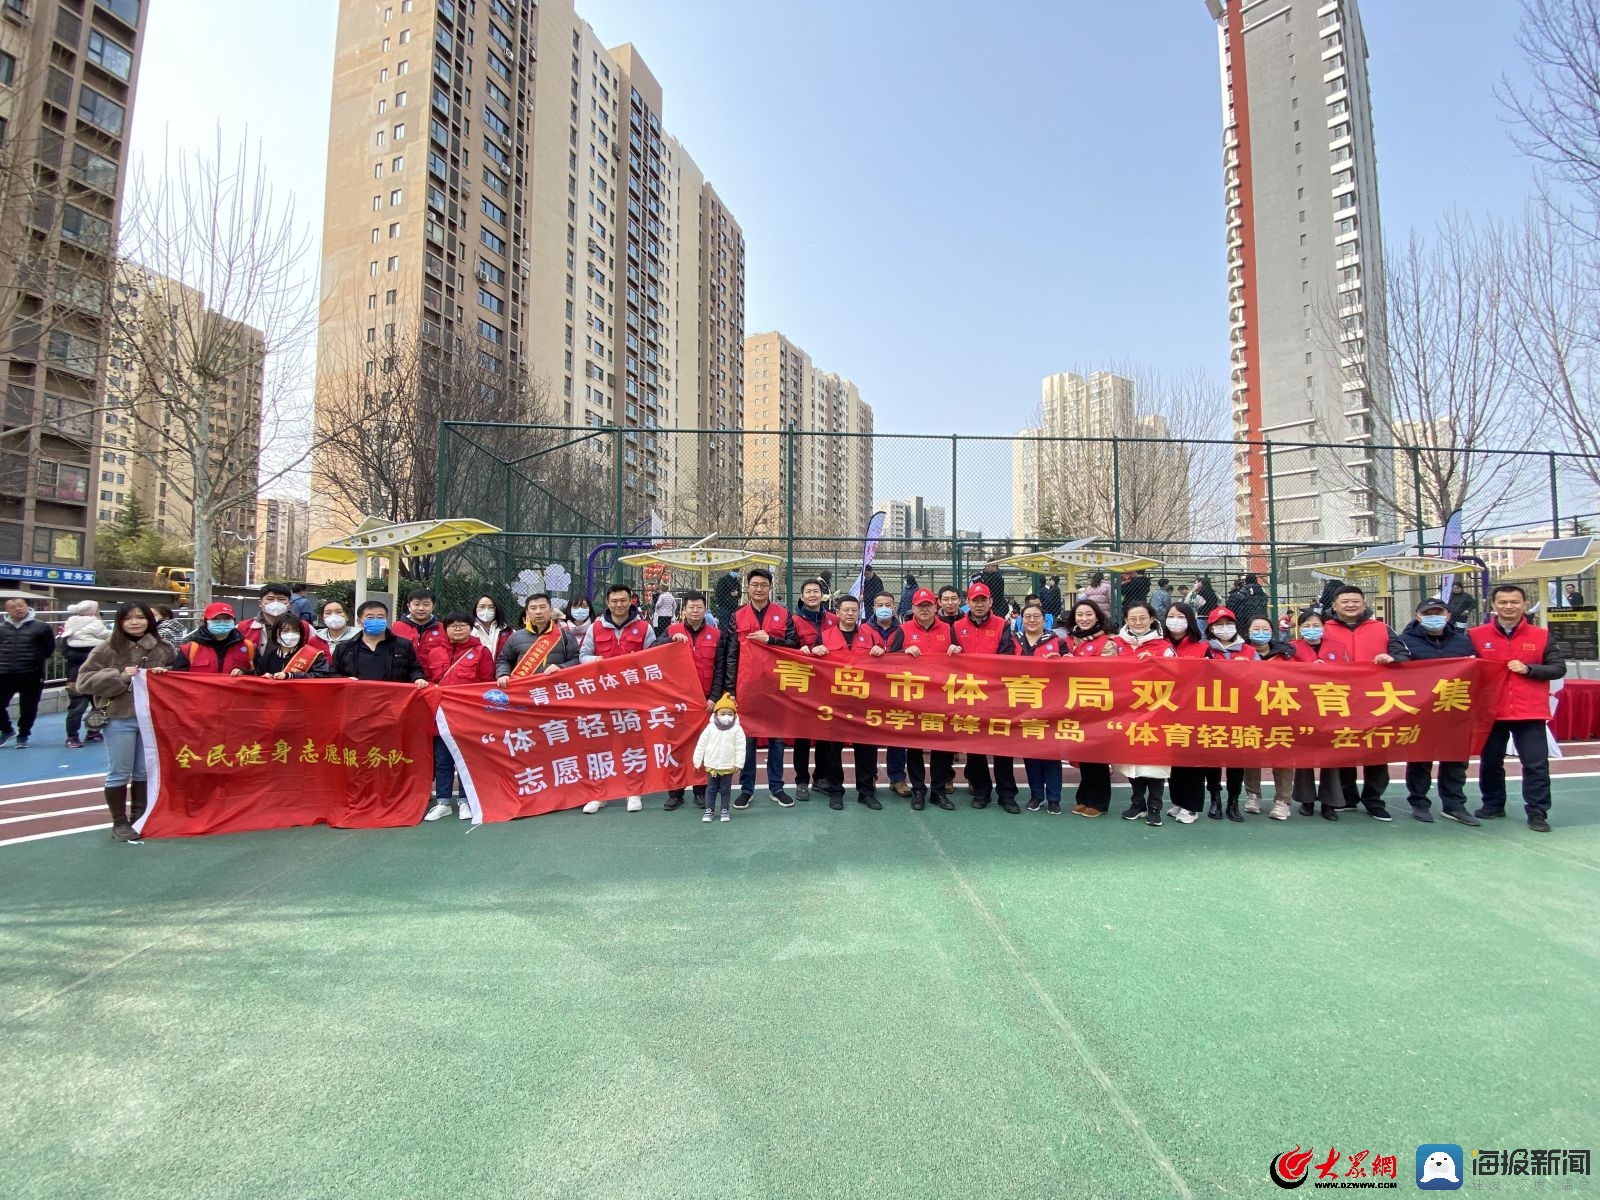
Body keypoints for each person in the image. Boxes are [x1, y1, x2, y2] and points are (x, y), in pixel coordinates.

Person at [74, 602, 185, 841]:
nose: (135, 622)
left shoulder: (163, 648)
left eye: (140, 617)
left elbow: (178, 675)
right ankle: (119, 822)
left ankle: (139, 816)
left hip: (152, 719)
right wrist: (120, 676)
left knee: (143, 771)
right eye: (128, 618)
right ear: (119, 622)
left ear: (150, 620)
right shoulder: (107, 648)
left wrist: (166, 675)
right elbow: (83, 681)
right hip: (119, 717)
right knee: (119, 772)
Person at [1470, 584, 1565, 833]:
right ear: (1493, 605)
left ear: (1524, 604)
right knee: (1490, 761)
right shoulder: (1476, 635)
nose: (1508, 606)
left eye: (1514, 602)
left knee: (1535, 764)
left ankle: (1537, 812)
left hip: (1530, 711)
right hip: (1491, 711)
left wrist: (1529, 669)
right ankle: (1492, 804)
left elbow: (1558, 668)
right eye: (1503, 602)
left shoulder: (1541, 635)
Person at [1319, 584, 1410, 821]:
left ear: (1364, 603)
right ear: (1334, 606)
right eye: (1345, 601)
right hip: (1337, 699)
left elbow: (1403, 654)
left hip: (1375, 700)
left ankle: (1374, 800)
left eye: (1355, 601)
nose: (1350, 605)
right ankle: (1348, 796)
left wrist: (1392, 658)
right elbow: (1302, 654)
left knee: (1376, 751)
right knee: (1342, 747)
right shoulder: (1321, 628)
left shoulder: (1382, 628)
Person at [710, 567, 793, 809]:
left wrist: (772, 640)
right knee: (747, 740)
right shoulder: (738, 616)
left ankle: (776, 787)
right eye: (755, 585)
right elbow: (731, 654)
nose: (759, 589)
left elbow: (794, 645)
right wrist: (730, 689)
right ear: (749, 587)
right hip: (746, 687)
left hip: (776, 687)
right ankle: (747, 789)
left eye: (763, 585)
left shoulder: (783, 614)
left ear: (770, 588)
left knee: (777, 740)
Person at [1399, 597, 1480, 827]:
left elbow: (1477, 670)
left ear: (1448, 616)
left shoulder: (1462, 642)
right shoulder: (1405, 641)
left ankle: (1454, 805)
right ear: (1418, 616)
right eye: (1428, 613)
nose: (1434, 617)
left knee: (1455, 760)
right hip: (1421, 711)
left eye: (1439, 613)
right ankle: (1419, 803)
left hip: (1455, 710)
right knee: (1420, 759)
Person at [578, 583, 658, 814]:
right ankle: (599, 794)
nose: (619, 605)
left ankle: (633, 792)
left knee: (632, 744)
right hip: (602, 697)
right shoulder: (596, 628)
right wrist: (595, 661)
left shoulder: (644, 627)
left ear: (631, 601)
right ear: (607, 603)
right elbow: (582, 656)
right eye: (614, 601)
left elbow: (654, 657)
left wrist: (639, 660)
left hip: (633, 697)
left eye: (623, 600)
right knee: (599, 745)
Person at [808, 595, 888, 810]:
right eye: (846, 610)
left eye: (854, 610)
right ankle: (836, 791)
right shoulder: (824, 636)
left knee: (867, 750)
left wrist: (882, 652)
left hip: (864, 702)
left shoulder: (871, 635)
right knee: (832, 750)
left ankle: (866, 792)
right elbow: (810, 665)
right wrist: (814, 652)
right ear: (838, 612)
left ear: (859, 611)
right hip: (835, 703)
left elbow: (889, 661)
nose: (850, 613)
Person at [950, 582, 1020, 814]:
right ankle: (981, 791)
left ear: (990, 602)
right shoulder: (957, 626)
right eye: (974, 600)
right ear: (967, 602)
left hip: (997, 695)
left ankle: (1007, 794)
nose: (979, 604)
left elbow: (1007, 656)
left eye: (983, 600)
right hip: (970, 695)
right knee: (975, 746)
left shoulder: (1002, 624)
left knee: (1002, 746)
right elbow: (952, 659)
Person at [425, 612, 497, 821]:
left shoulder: (481, 651)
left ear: (470, 627)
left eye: (462, 625)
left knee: (467, 760)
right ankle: (443, 802)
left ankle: (466, 801)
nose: (458, 629)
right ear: (445, 628)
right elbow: (428, 679)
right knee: (443, 761)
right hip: (440, 717)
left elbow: (487, 683)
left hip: (468, 717)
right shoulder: (434, 652)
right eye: (453, 625)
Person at [1109, 601, 1173, 827]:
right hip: (1125, 711)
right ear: (1126, 620)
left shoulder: (1163, 647)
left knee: (1154, 761)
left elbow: (1179, 676)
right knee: (1130, 761)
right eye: (1133, 618)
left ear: (1152, 619)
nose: (1137, 623)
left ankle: (1155, 806)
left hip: (1156, 712)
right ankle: (1137, 803)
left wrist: (1157, 664)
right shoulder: (1115, 644)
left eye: (1142, 618)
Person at [898, 587, 956, 811]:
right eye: (920, 606)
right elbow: (889, 662)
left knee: (942, 747)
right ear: (913, 608)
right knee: (914, 747)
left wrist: (957, 650)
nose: (924, 609)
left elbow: (961, 657)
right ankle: (919, 790)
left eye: (928, 605)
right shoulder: (903, 630)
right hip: (914, 699)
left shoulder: (949, 630)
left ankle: (938, 791)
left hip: (942, 698)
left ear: (936, 606)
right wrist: (903, 652)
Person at [664, 590, 721, 813]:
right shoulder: (671, 630)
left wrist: (714, 698)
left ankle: (700, 791)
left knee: (703, 747)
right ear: (684, 610)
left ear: (705, 609)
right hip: (678, 701)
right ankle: (675, 792)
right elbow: (651, 652)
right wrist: (669, 641)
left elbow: (720, 669)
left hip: (704, 702)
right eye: (691, 607)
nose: (695, 611)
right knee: (676, 748)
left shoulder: (716, 634)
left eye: (699, 607)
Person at [781, 579, 837, 803]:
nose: (813, 595)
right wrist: (798, 649)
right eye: (808, 592)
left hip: (829, 685)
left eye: (817, 591)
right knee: (803, 735)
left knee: (826, 733)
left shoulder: (834, 619)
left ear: (823, 595)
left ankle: (821, 777)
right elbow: (786, 646)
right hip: (803, 685)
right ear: (802, 597)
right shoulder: (793, 621)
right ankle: (801, 780)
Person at [1240, 614, 1298, 818]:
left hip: (1280, 710)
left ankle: (1283, 800)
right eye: (1256, 629)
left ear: (1273, 632)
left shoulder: (1287, 654)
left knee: (1282, 753)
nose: (1260, 633)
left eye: (1265, 629)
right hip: (1249, 711)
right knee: (1251, 752)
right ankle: (1253, 795)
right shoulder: (1241, 652)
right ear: (1247, 632)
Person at [1201, 606, 1255, 821]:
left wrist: (1249, 668)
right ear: (1211, 628)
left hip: (1240, 712)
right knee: (1212, 758)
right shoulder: (1204, 649)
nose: (1225, 628)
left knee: (1236, 758)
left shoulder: (1249, 651)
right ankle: (1215, 799)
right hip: (1211, 710)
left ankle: (1234, 801)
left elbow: (1263, 680)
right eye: (1219, 624)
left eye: (1228, 623)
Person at [1062, 600, 1114, 816]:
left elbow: (1111, 671)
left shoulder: (1107, 642)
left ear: (1097, 616)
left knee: (1097, 753)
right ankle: (1084, 797)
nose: (1084, 618)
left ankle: (1099, 802)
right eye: (1080, 614)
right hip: (1074, 704)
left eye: (1089, 614)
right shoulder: (1069, 642)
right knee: (1082, 752)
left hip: (1097, 704)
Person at [1161, 603, 1210, 824]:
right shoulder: (1160, 645)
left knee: (1191, 760)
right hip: (1165, 710)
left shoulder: (1201, 647)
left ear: (1189, 620)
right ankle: (1178, 801)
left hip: (1192, 710)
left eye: (1180, 616)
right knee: (1173, 760)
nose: (1175, 620)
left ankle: (1192, 806)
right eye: (1171, 616)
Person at [1015, 602, 1064, 814]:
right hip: (1022, 704)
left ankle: (1054, 798)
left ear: (1045, 620)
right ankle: (1036, 795)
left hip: (1050, 705)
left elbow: (1071, 667)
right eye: (1027, 616)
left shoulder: (1057, 642)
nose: (1032, 620)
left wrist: (1064, 660)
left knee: (1051, 753)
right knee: (1031, 753)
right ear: (1021, 620)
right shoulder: (1013, 641)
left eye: (1036, 616)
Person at [868, 590, 914, 797]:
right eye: (879, 605)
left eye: (888, 604)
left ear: (894, 607)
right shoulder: (864, 630)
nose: (884, 608)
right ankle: (869, 776)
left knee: (898, 732)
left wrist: (907, 652)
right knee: (869, 733)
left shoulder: (904, 630)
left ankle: (897, 778)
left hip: (897, 688)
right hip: (871, 689)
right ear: (873, 608)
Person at [330, 600, 429, 687]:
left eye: (380, 617)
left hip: (393, 701)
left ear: (386, 620)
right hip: (357, 700)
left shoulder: (403, 645)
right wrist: (344, 680)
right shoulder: (344, 648)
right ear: (360, 622)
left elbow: (414, 669)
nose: (376, 621)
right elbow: (333, 672)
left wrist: (418, 678)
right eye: (370, 617)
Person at [0, 595, 56, 749]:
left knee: (28, 707)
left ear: (27, 606)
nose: (18, 608)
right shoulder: (2, 628)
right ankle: (6, 730)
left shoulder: (41, 627)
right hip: (4, 672)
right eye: (13, 607)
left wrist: (35, 660)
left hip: (31, 672)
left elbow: (49, 649)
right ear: (7, 610)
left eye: (21, 605)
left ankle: (23, 734)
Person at [495, 594, 581, 682]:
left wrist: (561, 667)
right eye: (533, 608)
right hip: (525, 691)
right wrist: (503, 674)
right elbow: (503, 660)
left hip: (555, 689)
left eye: (542, 607)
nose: (538, 612)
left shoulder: (565, 635)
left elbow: (576, 660)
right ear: (527, 613)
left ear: (551, 611)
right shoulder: (515, 637)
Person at [59, 600, 109, 749]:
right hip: (94, 674)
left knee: (80, 706)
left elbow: (65, 651)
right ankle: (87, 732)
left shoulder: (68, 628)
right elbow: (108, 639)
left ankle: (76, 735)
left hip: (75, 674)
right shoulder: (98, 627)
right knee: (95, 705)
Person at [693, 694, 746, 823]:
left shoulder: (737, 730)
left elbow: (741, 747)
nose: (726, 716)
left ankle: (724, 810)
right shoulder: (710, 728)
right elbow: (701, 744)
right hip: (712, 765)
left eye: (730, 713)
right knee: (711, 789)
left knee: (725, 790)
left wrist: (739, 764)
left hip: (727, 766)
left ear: (734, 714)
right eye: (723, 713)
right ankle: (709, 810)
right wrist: (697, 760)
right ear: (716, 714)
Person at [182, 603, 257, 675]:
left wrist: (245, 672)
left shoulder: (249, 647)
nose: (222, 622)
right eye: (215, 619)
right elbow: (178, 681)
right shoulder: (189, 650)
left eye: (227, 618)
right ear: (205, 621)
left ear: (233, 621)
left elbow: (260, 674)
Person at [252, 614, 331, 678]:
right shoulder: (270, 654)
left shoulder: (315, 655)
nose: (291, 634)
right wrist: (267, 676)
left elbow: (322, 676)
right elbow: (258, 674)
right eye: (285, 631)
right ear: (275, 633)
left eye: (296, 631)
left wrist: (291, 675)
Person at [392, 587, 449, 666]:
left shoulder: (443, 629)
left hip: (433, 675)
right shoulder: (396, 627)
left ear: (433, 606)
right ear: (409, 606)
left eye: (426, 605)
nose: (421, 608)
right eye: (416, 604)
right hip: (403, 674)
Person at [238, 582, 295, 648]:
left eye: (281, 599)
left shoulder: (305, 627)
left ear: (289, 604)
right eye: (270, 599)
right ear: (260, 603)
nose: (275, 603)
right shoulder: (243, 628)